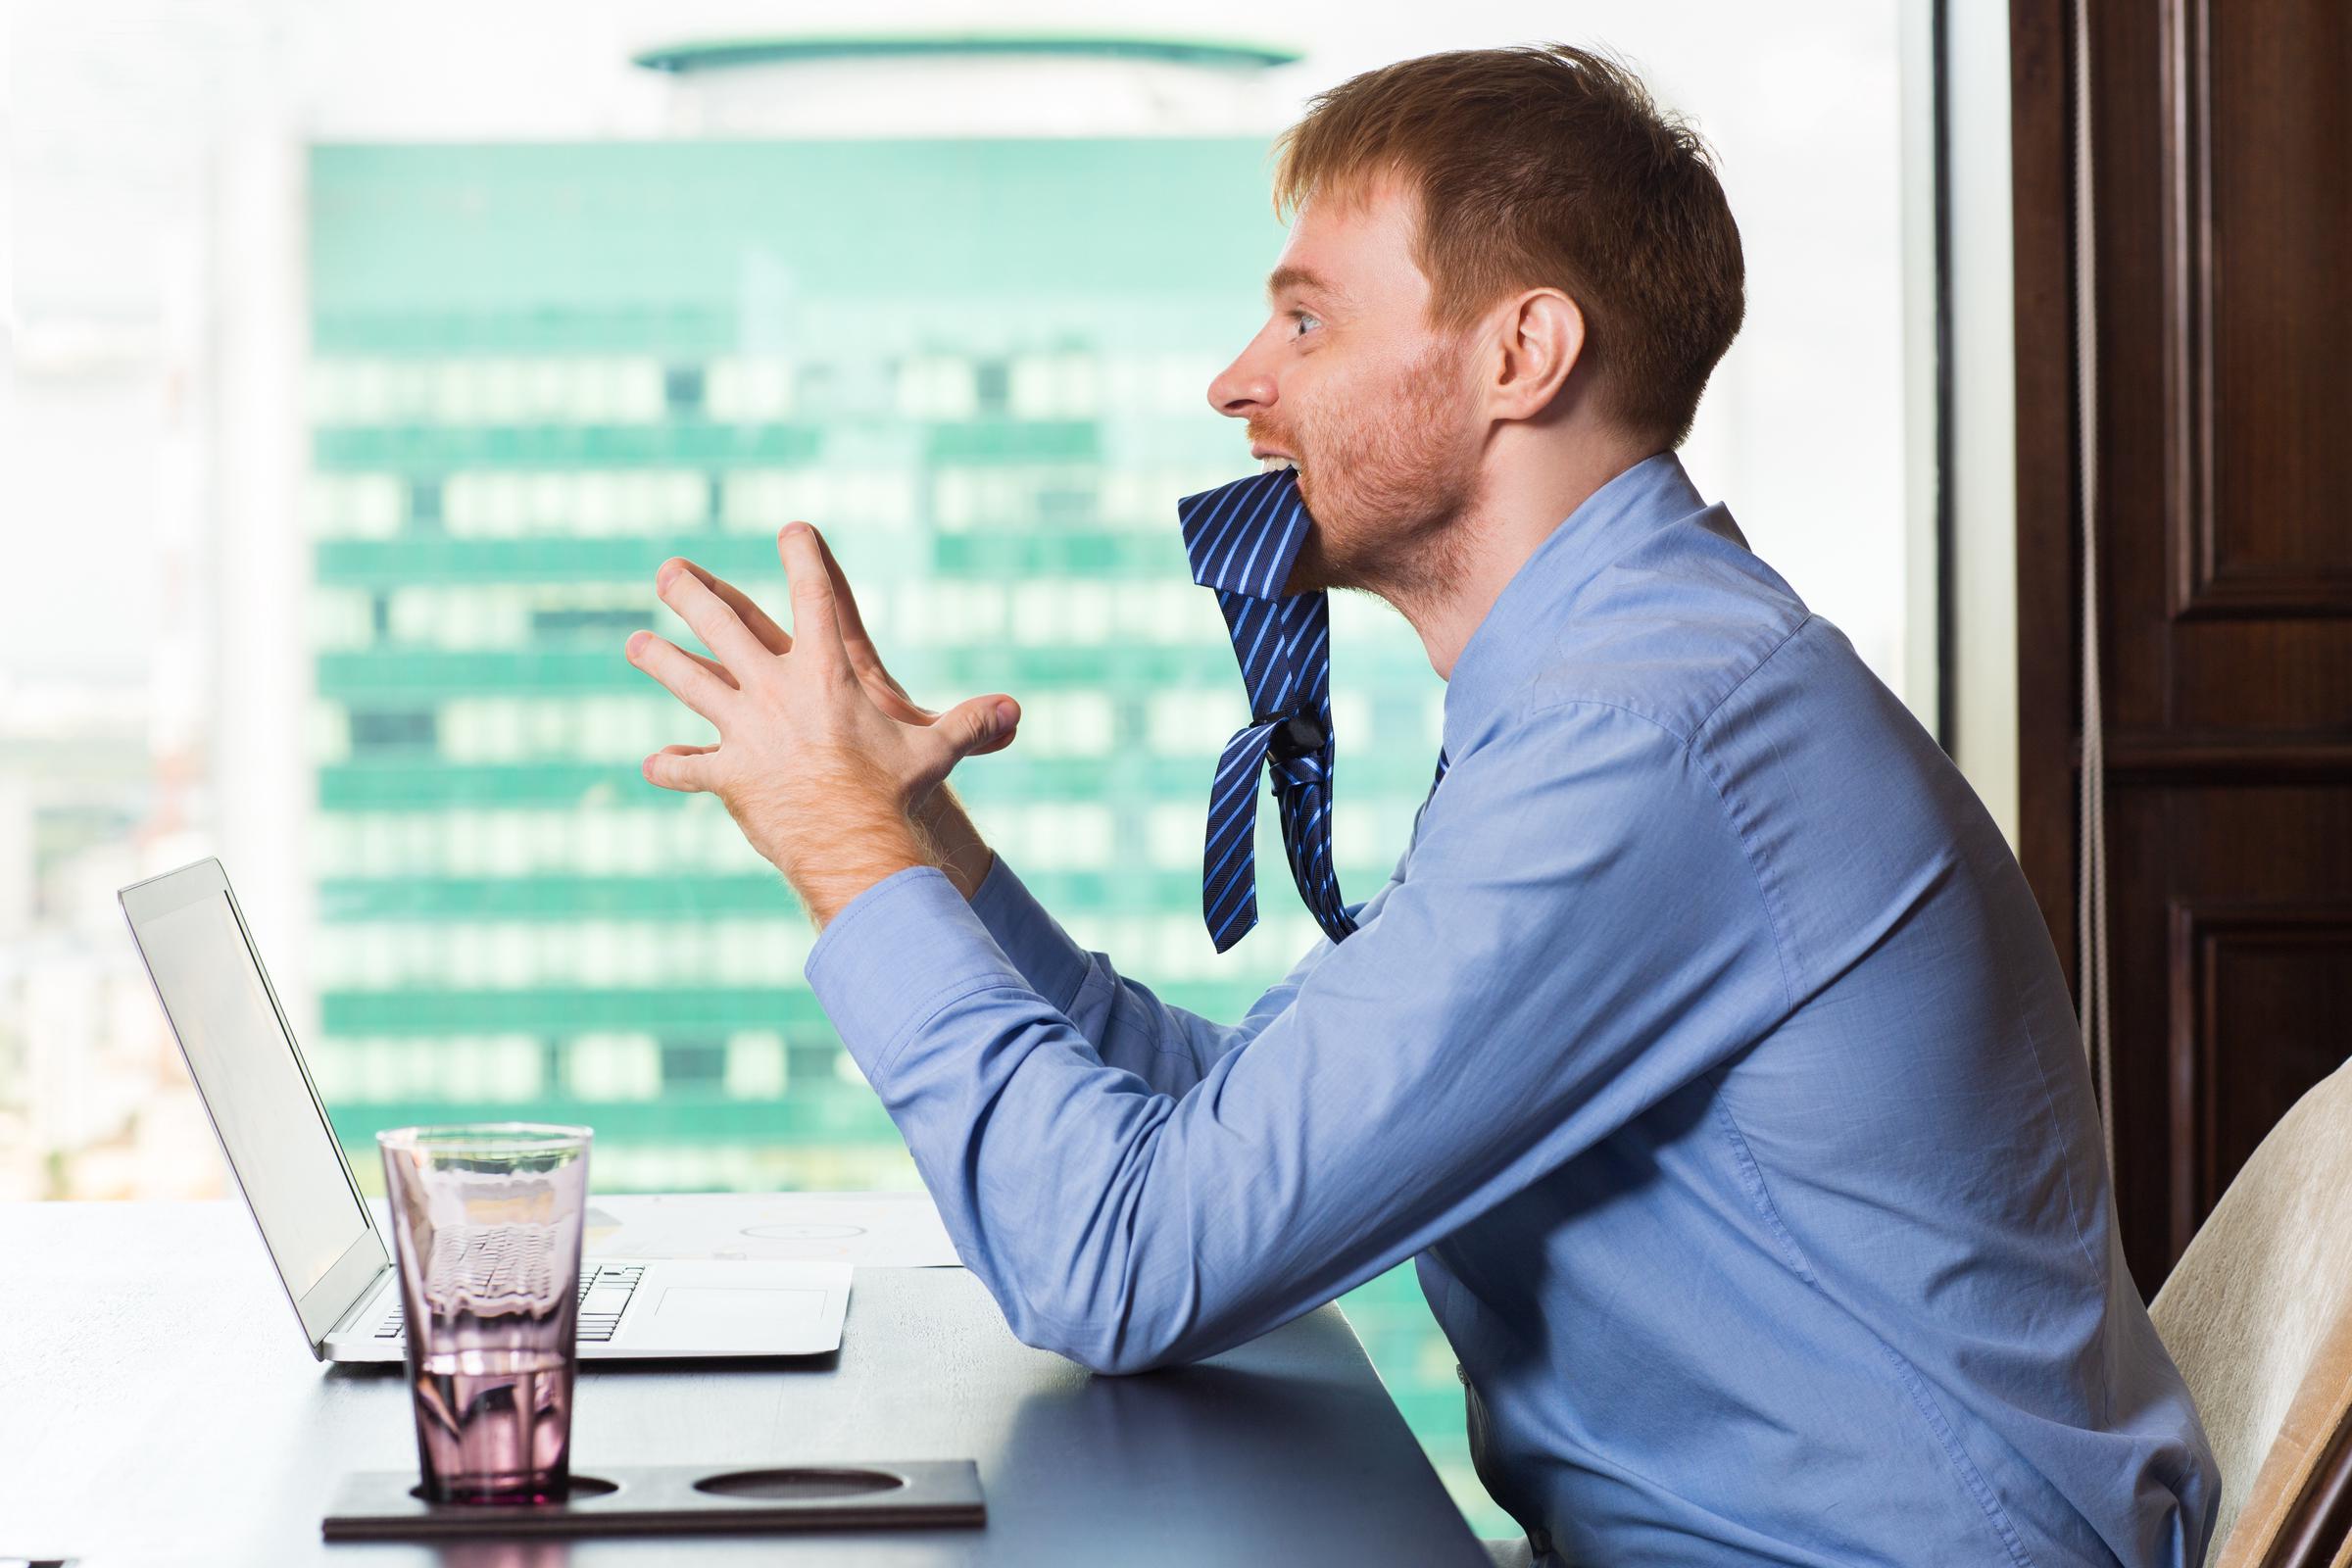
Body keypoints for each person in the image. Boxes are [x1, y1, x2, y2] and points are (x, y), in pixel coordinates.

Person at [622, 43, 2217, 1568]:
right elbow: (1239, 1130)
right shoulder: (1616, 685)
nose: (1238, 384)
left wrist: (843, 850)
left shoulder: (1645, 735)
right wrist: (925, 855)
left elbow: (1119, 1261)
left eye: (1307, 324)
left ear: (1520, 354)